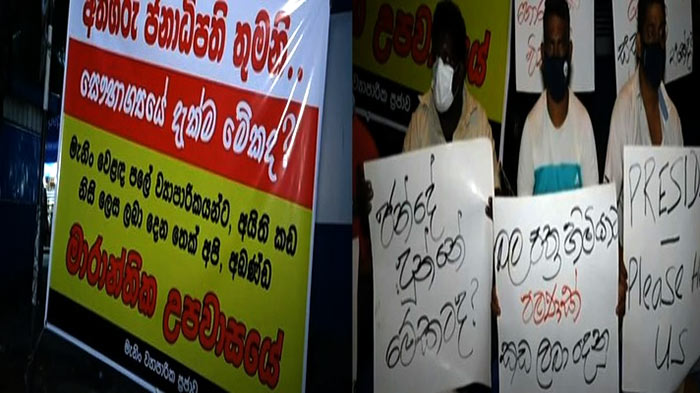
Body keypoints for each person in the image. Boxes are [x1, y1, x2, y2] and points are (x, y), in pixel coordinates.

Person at [604, 1, 698, 392]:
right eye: (650, 29)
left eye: (662, 30)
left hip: (667, 281)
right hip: (634, 282)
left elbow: (685, 207)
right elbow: (610, 195)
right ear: (639, 40)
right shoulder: (623, 107)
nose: (656, 37)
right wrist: (617, 266)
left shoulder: (673, 115)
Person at [403, 0, 501, 192]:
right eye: (436, 58)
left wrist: (495, 203)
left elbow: (492, 193)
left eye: (447, 60)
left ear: (461, 69)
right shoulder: (419, 120)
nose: (440, 67)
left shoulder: (478, 123)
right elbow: (403, 190)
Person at [517, 0, 598, 196]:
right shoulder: (531, 126)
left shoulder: (583, 122)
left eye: (560, 45)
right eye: (550, 45)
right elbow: (523, 208)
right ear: (543, 53)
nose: (555, 53)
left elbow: (593, 204)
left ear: (569, 51)